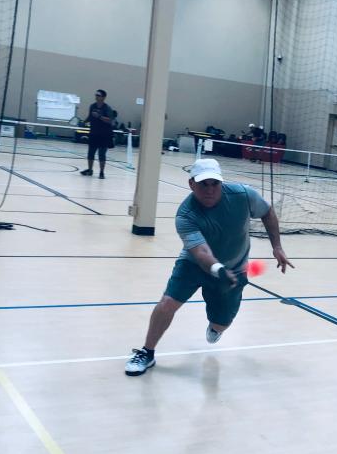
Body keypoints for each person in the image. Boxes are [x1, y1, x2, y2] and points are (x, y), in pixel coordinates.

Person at [125, 158, 294, 376]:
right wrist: (218, 270)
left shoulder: (243, 195)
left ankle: (215, 326)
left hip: (234, 270)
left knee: (220, 325)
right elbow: (201, 252)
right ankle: (147, 353)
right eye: (203, 184)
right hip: (194, 266)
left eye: (215, 183)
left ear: (221, 183)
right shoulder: (186, 214)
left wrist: (277, 246)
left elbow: (267, 212)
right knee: (167, 303)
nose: (210, 189)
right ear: (191, 184)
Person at [81, 89, 113, 179]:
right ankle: (90, 170)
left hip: (104, 135)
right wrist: (84, 122)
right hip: (93, 134)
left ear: (103, 97)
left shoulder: (107, 108)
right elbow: (90, 117)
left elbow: (110, 120)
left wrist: (99, 116)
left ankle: (101, 172)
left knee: (102, 154)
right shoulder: (92, 106)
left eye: (98, 95)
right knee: (90, 153)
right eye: (96, 95)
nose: (96, 97)